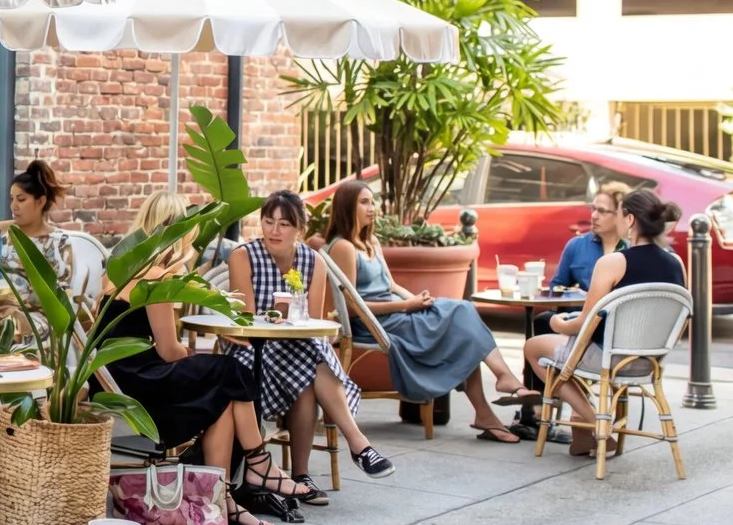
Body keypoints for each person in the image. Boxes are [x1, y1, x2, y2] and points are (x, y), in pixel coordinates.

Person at [97, 191, 303, 525]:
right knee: (232, 369)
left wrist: (190, 357)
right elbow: (168, 351)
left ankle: (222, 500)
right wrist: (191, 355)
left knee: (223, 396)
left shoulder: (120, 270)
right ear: (180, 230)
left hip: (118, 377)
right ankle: (259, 464)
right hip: (141, 380)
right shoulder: (156, 278)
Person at [321, 181, 539, 445]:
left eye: (373, 201)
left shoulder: (371, 242)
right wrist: (406, 306)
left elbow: (389, 285)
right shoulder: (344, 247)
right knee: (462, 313)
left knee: (462, 321)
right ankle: (501, 384)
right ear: (347, 207)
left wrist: (415, 299)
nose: (372, 208)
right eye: (364, 202)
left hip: (397, 314)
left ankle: (489, 405)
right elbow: (354, 308)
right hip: (378, 323)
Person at [229, 189, 395, 492]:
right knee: (308, 376)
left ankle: (304, 475)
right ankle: (353, 448)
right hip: (254, 348)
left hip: (298, 344)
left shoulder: (313, 260)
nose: (274, 231)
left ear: (299, 230)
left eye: (284, 224)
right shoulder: (244, 256)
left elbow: (313, 322)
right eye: (268, 222)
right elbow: (247, 319)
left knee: (309, 367)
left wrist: (292, 322)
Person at [527, 188, 688, 458]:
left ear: (630, 220)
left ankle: (594, 420)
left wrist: (557, 323)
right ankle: (582, 436)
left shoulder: (612, 262)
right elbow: (682, 321)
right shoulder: (676, 263)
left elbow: (583, 323)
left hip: (608, 359)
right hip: (649, 361)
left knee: (534, 347)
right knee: (572, 356)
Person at [0, 160, 104, 344]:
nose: (13, 206)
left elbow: (58, 296)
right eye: (12, 199)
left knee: (5, 325)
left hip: (33, 316)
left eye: (21, 199)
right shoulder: (1, 238)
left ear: (40, 201)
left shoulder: (58, 243)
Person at [548, 180, 633, 294]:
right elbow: (556, 288)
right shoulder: (576, 245)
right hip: (581, 311)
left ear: (621, 214)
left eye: (602, 211)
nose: (593, 216)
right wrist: (575, 295)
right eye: (593, 209)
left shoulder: (633, 248)